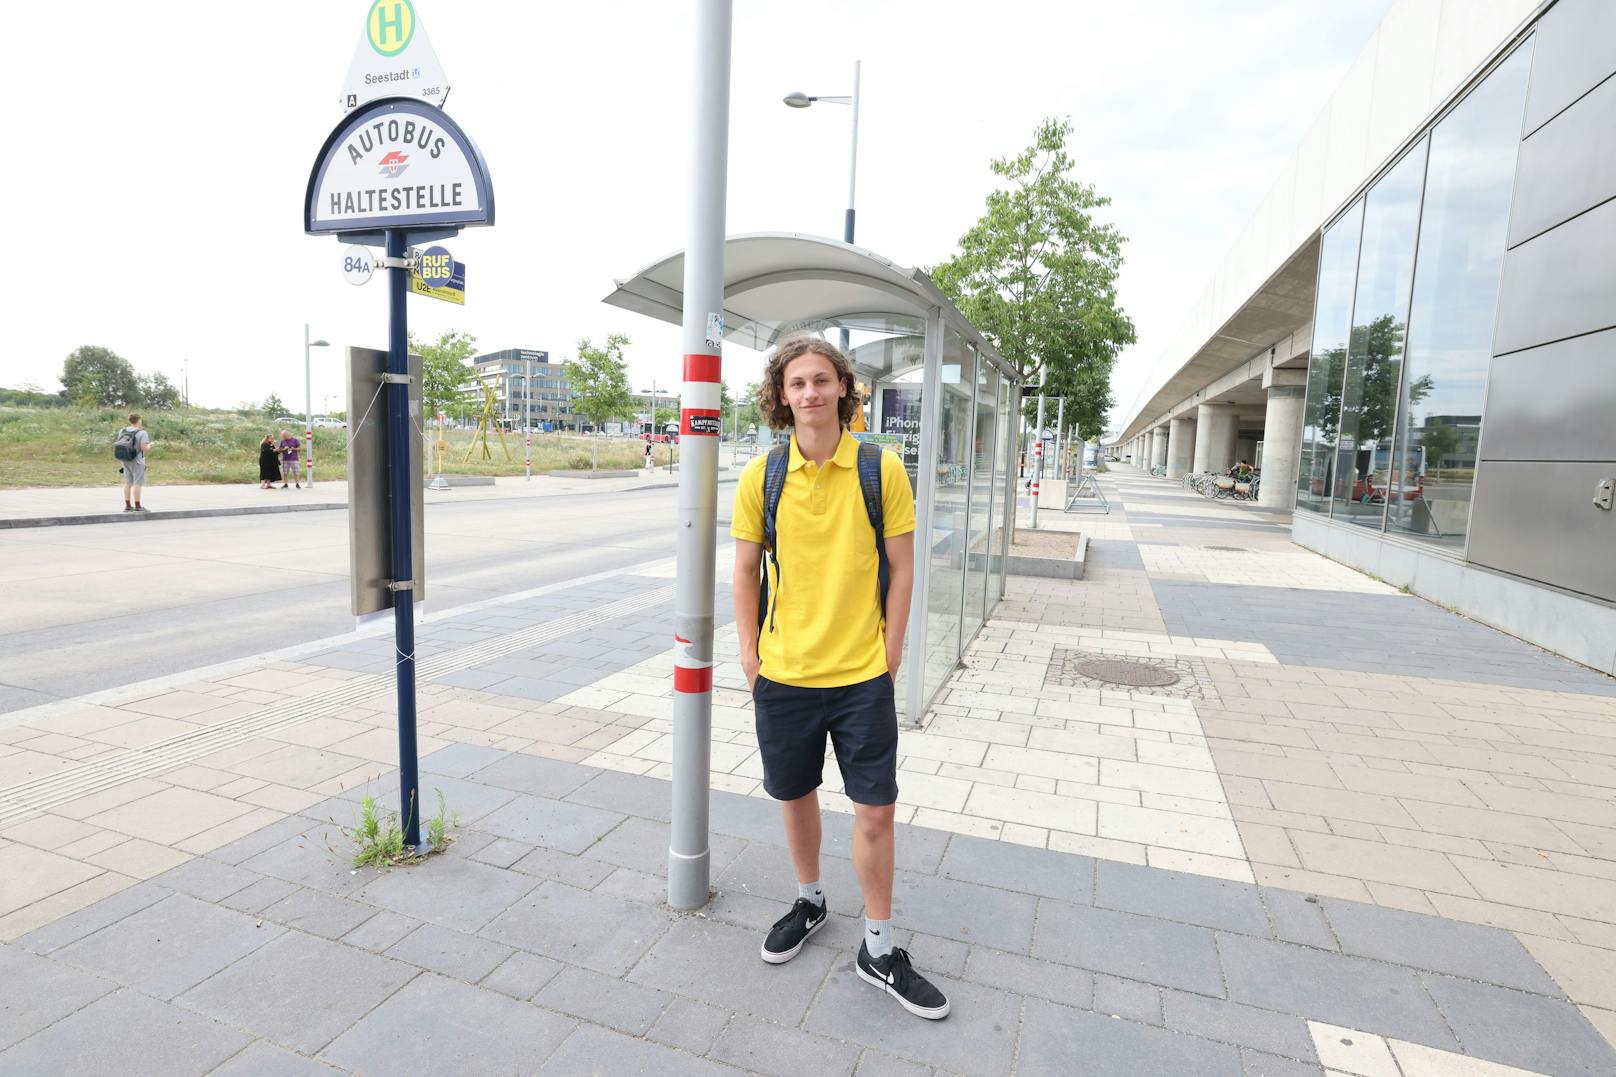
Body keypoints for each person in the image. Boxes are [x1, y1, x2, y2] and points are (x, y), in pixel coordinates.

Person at [731, 334, 949, 1020]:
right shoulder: (760, 476)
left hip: (860, 674)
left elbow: (905, 564)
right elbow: (742, 568)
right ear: (781, 395)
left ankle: (878, 947)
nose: (810, 393)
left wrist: (891, 650)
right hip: (786, 672)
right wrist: (748, 652)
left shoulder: (879, 469)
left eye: (822, 380)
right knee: (795, 794)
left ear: (842, 389)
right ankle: (810, 899)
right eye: (797, 383)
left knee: (876, 809)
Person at [115, 414, 153, 512]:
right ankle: (138, 506)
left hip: (125, 459)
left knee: (128, 483)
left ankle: (128, 506)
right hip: (137, 461)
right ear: (139, 421)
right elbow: (144, 448)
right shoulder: (142, 433)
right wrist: (150, 445)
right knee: (137, 483)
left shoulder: (122, 431)